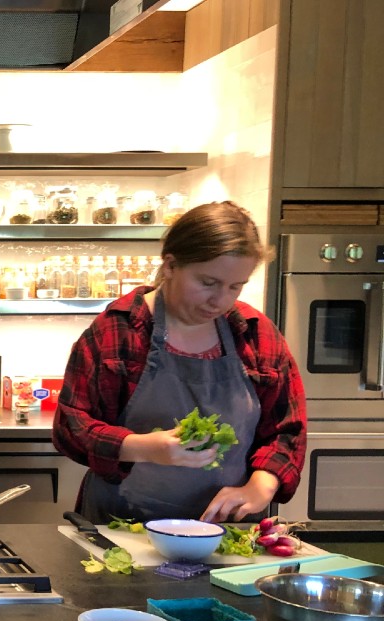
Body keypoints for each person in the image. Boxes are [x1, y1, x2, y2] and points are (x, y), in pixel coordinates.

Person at [52, 201, 306, 525]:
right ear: (171, 265)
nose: (221, 300)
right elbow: (71, 426)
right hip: (123, 528)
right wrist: (141, 447)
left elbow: (287, 429)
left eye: (235, 286)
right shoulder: (119, 332)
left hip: (226, 532)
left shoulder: (255, 334)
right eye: (208, 282)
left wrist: (262, 484)